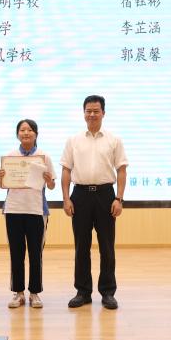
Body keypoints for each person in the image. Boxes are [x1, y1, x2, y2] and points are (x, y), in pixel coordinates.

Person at [60, 95, 128, 310]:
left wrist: (119, 198)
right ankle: (83, 292)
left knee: (107, 246)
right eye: (88, 111)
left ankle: (108, 292)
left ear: (103, 113)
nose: (91, 114)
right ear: (83, 113)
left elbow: (121, 170)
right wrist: (66, 199)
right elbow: (66, 170)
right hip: (80, 195)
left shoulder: (114, 140)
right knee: (81, 246)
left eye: (96, 111)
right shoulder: (73, 140)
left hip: (105, 195)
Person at [0, 119, 56, 309]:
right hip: (13, 209)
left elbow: (52, 185)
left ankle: (35, 293)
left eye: (30, 130)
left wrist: (49, 180)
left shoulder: (44, 157)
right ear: (17, 134)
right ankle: (18, 293)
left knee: (35, 254)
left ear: (36, 134)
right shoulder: (10, 157)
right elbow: (2, 185)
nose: (26, 133)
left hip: (36, 211)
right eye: (22, 130)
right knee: (16, 253)